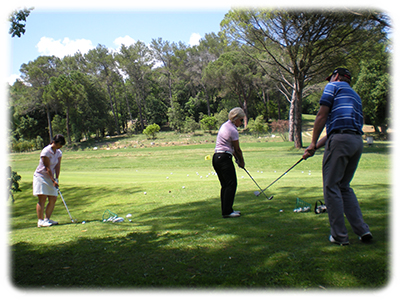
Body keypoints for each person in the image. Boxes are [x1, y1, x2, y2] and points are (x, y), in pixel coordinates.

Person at [303, 68, 372, 245]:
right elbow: (337, 129)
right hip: (356, 142)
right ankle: (363, 231)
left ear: (336, 77)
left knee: (331, 187)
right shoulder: (356, 96)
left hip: (340, 141)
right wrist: (314, 148)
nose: (329, 81)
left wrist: (311, 142)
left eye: (330, 78)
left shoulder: (333, 87)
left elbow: (321, 115)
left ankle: (339, 236)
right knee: (343, 186)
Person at [212, 107, 245, 218]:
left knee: (225, 185)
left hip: (217, 157)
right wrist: (241, 162)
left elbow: (230, 148)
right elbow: (237, 149)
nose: (242, 122)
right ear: (235, 119)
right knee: (231, 184)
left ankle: (227, 210)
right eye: (241, 120)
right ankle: (227, 211)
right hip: (224, 158)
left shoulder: (225, 125)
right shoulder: (232, 130)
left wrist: (236, 159)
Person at [33, 134, 66, 227]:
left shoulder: (59, 152)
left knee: (53, 198)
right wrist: (53, 180)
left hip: (51, 178)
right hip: (41, 176)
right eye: (59, 144)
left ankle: (47, 219)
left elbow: (57, 166)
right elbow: (47, 168)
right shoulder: (45, 151)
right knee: (42, 198)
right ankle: (40, 221)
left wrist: (57, 179)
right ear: (54, 142)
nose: (60, 146)